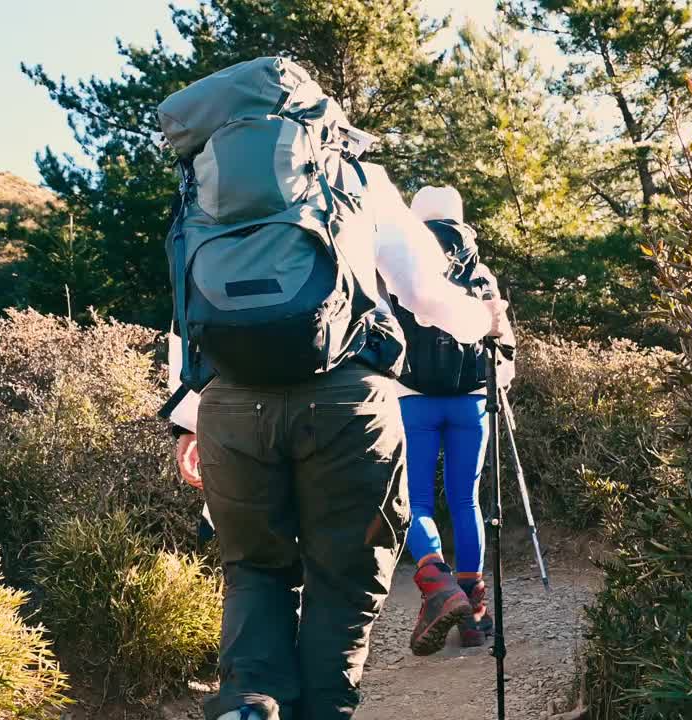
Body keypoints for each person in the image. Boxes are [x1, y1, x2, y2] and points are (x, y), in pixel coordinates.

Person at [168, 158, 511, 719]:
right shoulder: (354, 175)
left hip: (231, 404)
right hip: (346, 404)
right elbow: (424, 293)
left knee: (255, 568)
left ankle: (251, 702)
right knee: (342, 578)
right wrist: (485, 321)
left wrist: (188, 417)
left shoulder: (209, 183)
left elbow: (185, 311)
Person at [392, 186, 515, 656]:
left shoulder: (401, 262)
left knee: (414, 501)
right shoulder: (480, 271)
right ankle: (475, 614)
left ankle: (440, 589)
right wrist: (499, 383)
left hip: (413, 399)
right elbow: (502, 340)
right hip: (470, 401)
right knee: (466, 500)